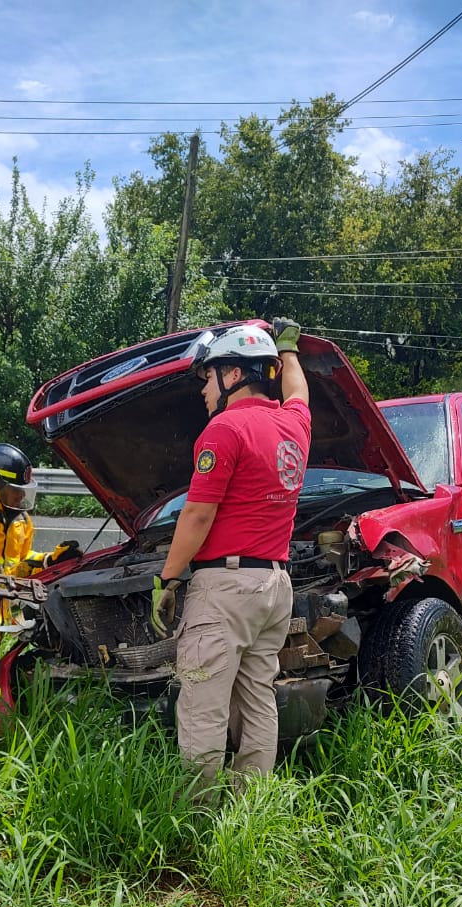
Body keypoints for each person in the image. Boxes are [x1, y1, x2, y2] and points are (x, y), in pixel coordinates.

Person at [151, 319, 310, 787]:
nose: (204, 391)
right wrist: (289, 348)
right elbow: (298, 391)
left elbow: (197, 516)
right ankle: (248, 811)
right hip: (274, 587)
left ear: (234, 375)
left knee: (203, 704)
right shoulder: (294, 425)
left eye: (210, 377)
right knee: (258, 700)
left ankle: (198, 822)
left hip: (225, 589)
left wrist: (169, 578)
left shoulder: (225, 430)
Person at [0, 441, 82, 627]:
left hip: (1, 616)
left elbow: (20, 561)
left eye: (23, 491)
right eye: (15, 490)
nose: (21, 496)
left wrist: (49, 561)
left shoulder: (21, 520)